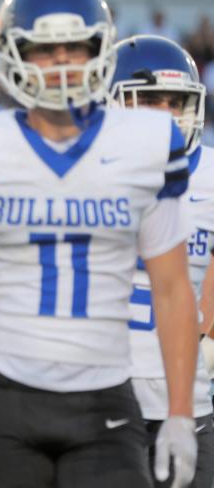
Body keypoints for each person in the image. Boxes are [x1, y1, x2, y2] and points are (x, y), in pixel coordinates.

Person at [0, 0, 199, 488]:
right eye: (44, 50)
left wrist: (180, 411)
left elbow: (174, 290)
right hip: (2, 392)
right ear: (13, 55)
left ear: (101, 53)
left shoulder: (146, 143)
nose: (62, 62)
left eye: (76, 47)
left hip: (106, 393)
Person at [110, 34, 214, 488]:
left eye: (177, 101)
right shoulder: (79, 173)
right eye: (150, 99)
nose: (167, 112)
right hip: (101, 400)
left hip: (185, 401)